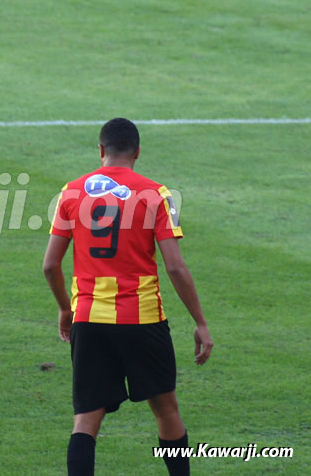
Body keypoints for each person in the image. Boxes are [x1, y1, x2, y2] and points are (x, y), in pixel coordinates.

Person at [42, 118, 213, 475]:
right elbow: (175, 267)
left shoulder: (71, 192)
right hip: (143, 320)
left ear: (100, 150)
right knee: (166, 411)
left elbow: (50, 265)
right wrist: (199, 321)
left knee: (86, 420)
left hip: (88, 318)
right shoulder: (155, 194)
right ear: (137, 152)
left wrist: (65, 309)